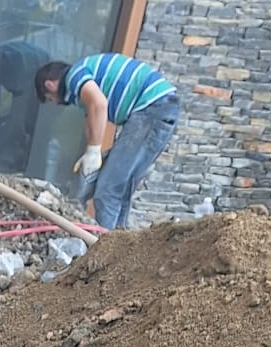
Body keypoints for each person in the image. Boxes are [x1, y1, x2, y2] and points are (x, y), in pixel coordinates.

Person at [34, 53, 179, 231]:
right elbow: (92, 123)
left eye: (50, 99)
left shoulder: (74, 76)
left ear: (50, 85)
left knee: (107, 189)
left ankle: (103, 247)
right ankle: (119, 243)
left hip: (151, 108)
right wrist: (88, 156)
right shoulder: (82, 90)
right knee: (122, 185)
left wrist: (94, 151)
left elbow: (100, 104)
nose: (56, 103)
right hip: (161, 108)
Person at [0, 39, 48, 164]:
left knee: (28, 122)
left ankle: (28, 159)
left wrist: (3, 133)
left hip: (42, 69)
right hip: (23, 65)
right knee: (6, 123)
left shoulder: (17, 69)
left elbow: (19, 109)